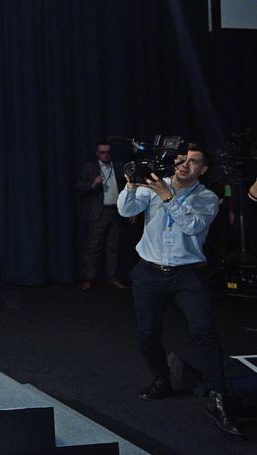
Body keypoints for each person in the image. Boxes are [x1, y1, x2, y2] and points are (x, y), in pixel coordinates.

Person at [118, 144, 242, 436]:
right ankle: (162, 378)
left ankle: (217, 396)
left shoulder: (207, 197)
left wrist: (167, 196)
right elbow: (126, 210)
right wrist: (131, 185)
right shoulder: (153, 187)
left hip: (187, 275)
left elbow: (192, 226)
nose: (185, 164)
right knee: (147, 333)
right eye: (181, 159)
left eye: (194, 161)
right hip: (149, 271)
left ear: (204, 169)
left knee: (203, 331)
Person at [74, 141, 129, 289]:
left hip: (116, 212)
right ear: (97, 153)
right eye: (102, 152)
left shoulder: (119, 167)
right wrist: (93, 184)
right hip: (99, 212)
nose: (105, 155)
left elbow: (128, 187)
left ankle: (112, 277)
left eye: (108, 152)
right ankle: (88, 278)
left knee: (114, 247)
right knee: (93, 247)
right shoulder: (90, 167)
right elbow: (78, 186)